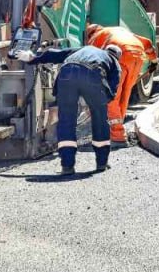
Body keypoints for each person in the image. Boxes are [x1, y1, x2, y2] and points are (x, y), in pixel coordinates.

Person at [24, 42, 121, 174]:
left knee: (66, 119)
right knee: (100, 119)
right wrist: (99, 103)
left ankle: (67, 166)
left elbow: (57, 54)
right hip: (92, 74)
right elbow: (113, 88)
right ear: (117, 56)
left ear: (104, 49)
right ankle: (101, 163)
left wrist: (34, 59)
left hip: (66, 73)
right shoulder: (114, 62)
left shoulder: (84, 49)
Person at [86, 24, 158, 145]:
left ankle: (118, 135)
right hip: (137, 55)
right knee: (125, 92)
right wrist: (154, 60)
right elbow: (147, 43)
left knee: (111, 96)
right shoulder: (117, 30)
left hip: (121, 57)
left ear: (90, 33)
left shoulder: (94, 38)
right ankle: (118, 127)